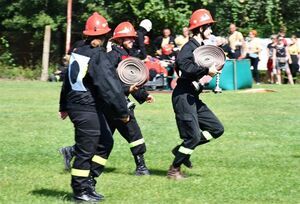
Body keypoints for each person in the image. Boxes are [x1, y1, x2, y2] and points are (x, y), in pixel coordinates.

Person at [59, 12, 130, 202]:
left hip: (81, 106)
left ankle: (89, 182)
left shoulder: (79, 50)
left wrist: (63, 104)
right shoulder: (97, 56)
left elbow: (66, 80)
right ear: (104, 36)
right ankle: (80, 191)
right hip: (84, 107)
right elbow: (111, 88)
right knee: (86, 149)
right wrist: (123, 113)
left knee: (106, 142)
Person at [167, 9, 224, 180]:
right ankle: (174, 170)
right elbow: (183, 64)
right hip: (183, 96)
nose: (211, 31)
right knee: (192, 137)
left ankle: (180, 150)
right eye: (208, 28)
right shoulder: (189, 47)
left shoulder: (200, 48)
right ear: (200, 29)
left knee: (216, 129)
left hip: (192, 96)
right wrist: (207, 70)